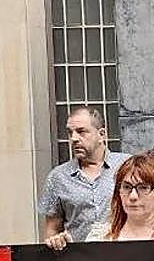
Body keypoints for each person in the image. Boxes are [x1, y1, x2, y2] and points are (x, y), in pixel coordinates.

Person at [40, 106, 131, 250]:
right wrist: (55, 243)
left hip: (124, 253)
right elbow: (52, 228)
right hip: (78, 258)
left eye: (81, 131)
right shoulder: (58, 177)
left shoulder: (127, 166)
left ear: (102, 134)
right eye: (70, 133)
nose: (74, 139)